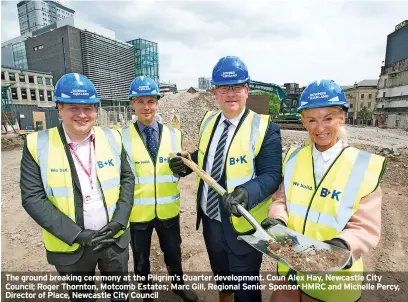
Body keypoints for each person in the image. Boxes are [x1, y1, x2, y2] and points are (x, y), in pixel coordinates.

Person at [169, 56, 283, 302]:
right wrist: (187, 164)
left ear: (246, 90)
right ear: (215, 92)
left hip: (242, 223)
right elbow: (209, 156)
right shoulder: (209, 120)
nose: (230, 94)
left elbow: (272, 175)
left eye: (236, 87)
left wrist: (245, 192)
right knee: (222, 277)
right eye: (224, 88)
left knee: (245, 284)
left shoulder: (265, 127)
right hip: (211, 218)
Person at [265, 80, 387, 302]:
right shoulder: (293, 158)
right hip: (292, 270)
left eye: (328, 119)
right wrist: (277, 220)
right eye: (312, 120)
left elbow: (365, 228)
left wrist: (342, 246)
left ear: (342, 118)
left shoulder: (363, 167)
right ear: (303, 121)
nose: (320, 128)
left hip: (333, 279)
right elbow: (282, 199)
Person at [20, 73, 134, 301]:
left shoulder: (112, 137)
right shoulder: (37, 144)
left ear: (96, 109)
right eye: (73, 107)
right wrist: (78, 235)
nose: (82, 115)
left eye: (88, 108)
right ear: (59, 108)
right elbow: (32, 198)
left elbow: (127, 179)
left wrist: (119, 222)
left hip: (113, 239)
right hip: (71, 246)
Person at [121, 76, 198, 302]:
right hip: (138, 213)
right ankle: (146, 295)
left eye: (151, 101)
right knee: (141, 260)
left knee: (174, 253)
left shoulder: (175, 134)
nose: (147, 107)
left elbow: (179, 168)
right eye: (141, 101)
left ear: (157, 103)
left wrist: (184, 169)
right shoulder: (122, 138)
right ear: (132, 104)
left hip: (168, 210)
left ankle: (179, 286)